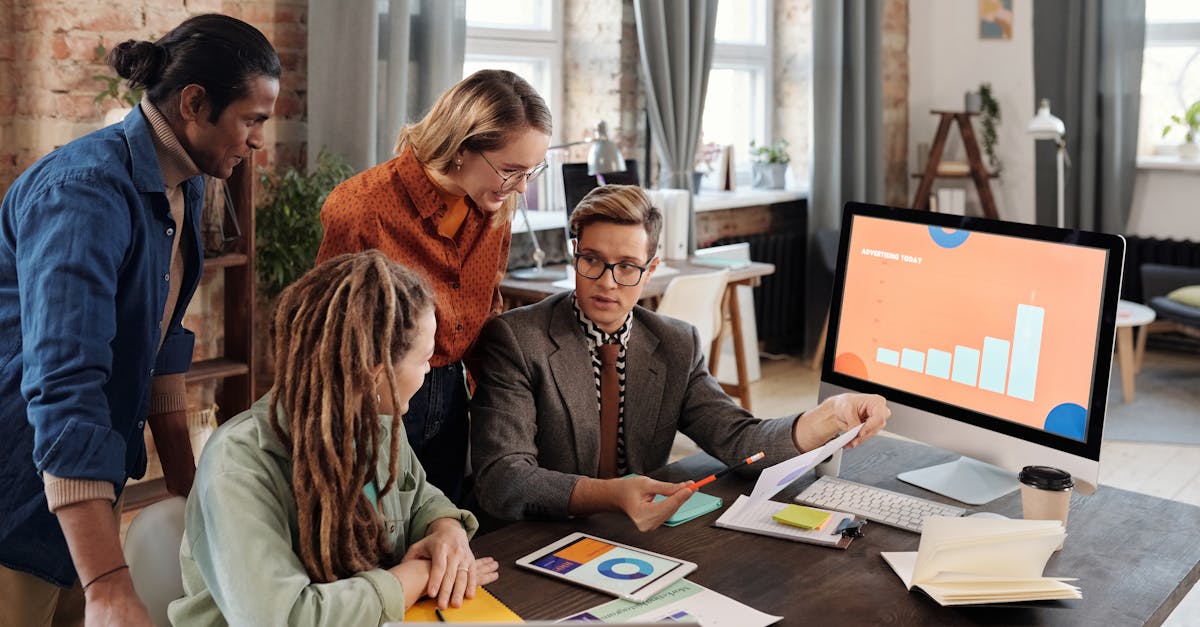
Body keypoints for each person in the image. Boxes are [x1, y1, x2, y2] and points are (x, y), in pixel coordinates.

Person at [0, 14, 279, 626]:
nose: (259, 140)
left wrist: (188, 484)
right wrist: (106, 579)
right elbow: (66, 384)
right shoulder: (83, 192)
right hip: (21, 480)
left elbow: (161, 340)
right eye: (252, 119)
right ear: (195, 103)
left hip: (87, 483)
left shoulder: (187, 184)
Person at [470, 185, 891, 530]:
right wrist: (610, 495)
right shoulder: (517, 339)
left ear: (650, 271)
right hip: (533, 537)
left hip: (637, 536)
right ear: (574, 254)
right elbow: (503, 479)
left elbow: (740, 442)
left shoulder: (676, 344)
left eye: (628, 267)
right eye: (592, 261)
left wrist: (827, 416)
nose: (607, 282)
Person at [170, 251, 499, 625]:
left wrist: (446, 529)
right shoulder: (238, 465)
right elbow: (282, 618)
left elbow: (419, 496)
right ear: (377, 376)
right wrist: (416, 577)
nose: (430, 368)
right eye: (425, 358)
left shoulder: (377, 423)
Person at [316, 69, 552, 504]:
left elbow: (486, 310)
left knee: (441, 527)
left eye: (531, 171)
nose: (521, 186)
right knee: (378, 536)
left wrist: (505, 404)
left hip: (451, 392)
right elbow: (329, 338)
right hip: (377, 399)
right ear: (462, 149)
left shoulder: (495, 204)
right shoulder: (361, 207)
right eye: (511, 170)